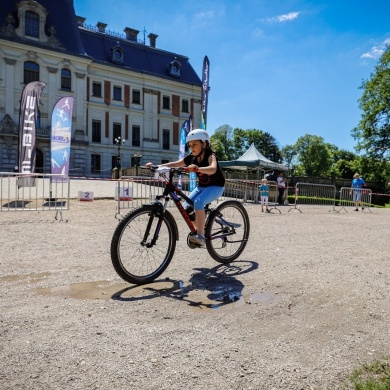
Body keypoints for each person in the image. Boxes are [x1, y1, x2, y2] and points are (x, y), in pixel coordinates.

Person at [146, 129, 225, 247]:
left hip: (216, 186)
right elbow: (175, 164)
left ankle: (201, 236)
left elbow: (213, 168)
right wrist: (157, 166)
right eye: (190, 145)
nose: (192, 148)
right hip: (202, 187)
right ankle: (200, 229)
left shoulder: (210, 155)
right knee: (186, 208)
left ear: (204, 144)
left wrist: (197, 169)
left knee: (198, 202)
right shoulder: (192, 158)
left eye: (195, 144)